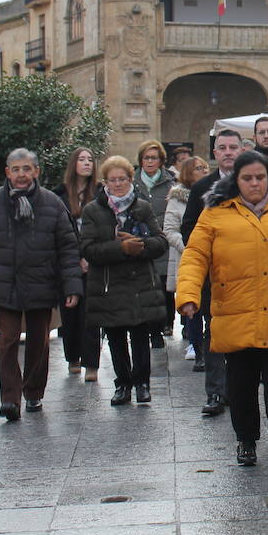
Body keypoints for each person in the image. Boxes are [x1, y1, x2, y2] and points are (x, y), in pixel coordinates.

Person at [176, 151, 268, 473]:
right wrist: (188, 296)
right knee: (241, 383)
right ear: (235, 181)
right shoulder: (215, 213)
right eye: (247, 178)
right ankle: (246, 439)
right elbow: (195, 256)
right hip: (234, 314)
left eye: (260, 178)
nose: (255, 184)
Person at [0, 148, 82, 420]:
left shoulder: (52, 204)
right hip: (5, 285)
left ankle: (34, 392)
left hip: (42, 284)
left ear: (36, 172)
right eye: (16, 170)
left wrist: (72, 286)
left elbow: (68, 248)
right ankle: (10, 398)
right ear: (7, 173)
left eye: (27, 169)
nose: (21, 175)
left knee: (39, 342)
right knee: (7, 341)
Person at [80, 155, 169, 406]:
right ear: (105, 182)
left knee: (140, 336)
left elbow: (160, 242)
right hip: (108, 284)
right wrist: (121, 249)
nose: (117, 184)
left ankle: (142, 383)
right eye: (112, 180)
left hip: (139, 282)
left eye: (122, 179)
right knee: (115, 336)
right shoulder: (93, 210)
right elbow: (87, 248)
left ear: (131, 179)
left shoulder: (142, 207)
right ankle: (122, 384)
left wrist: (139, 246)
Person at [180, 130, 244, 416]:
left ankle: (241, 389)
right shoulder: (202, 187)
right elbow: (189, 229)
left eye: (233, 147)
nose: (228, 152)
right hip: (214, 274)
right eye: (222, 148)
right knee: (214, 331)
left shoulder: (253, 183)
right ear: (215, 153)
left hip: (246, 272)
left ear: (242, 150)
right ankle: (216, 392)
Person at [53, 147, 102, 380]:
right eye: (81, 159)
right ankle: (72, 357)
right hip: (67, 262)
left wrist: (89, 257)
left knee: (92, 315)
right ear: (73, 164)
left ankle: (91, 363)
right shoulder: (59, 194)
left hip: (93, 262)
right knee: (70, 312)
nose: (86, 163)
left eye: (90, 160)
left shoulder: (100, 193)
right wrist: (74, 258)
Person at [164, 155, 209, 366]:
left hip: (213, 257)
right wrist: (189, 247)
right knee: (192, 302)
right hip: (189, 255)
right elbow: (170, 229)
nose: (204, 171)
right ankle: (195, 344)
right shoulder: (177, 198)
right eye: (199, 168)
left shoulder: (214, 193)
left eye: (206, 167)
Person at [133, 139, 175, 347]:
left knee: (163, 287)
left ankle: (165, 323)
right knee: (147, 287)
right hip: (140, 242)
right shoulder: (132, 183)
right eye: (146, 158)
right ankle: (152, 329)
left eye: (154, 158)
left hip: (163, 242)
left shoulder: (171, 183)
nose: (150, 162)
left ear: (161, 161)